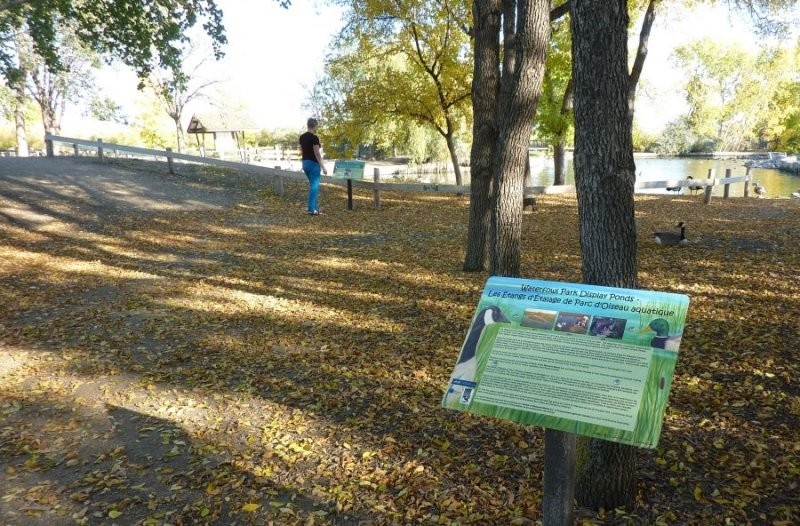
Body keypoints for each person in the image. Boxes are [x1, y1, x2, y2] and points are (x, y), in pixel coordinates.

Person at [299, 118, 328, 215]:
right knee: (314, 188)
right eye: (317, 125)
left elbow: (302, 151)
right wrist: (323, 167)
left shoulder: (302, 137)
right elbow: (317, 153)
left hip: (305, 163)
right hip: (313, 164)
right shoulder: (314, 138)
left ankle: (315, 208)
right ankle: (311, 209)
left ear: (308, 125)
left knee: (313, 186)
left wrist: (303, 162)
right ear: (315, 126)